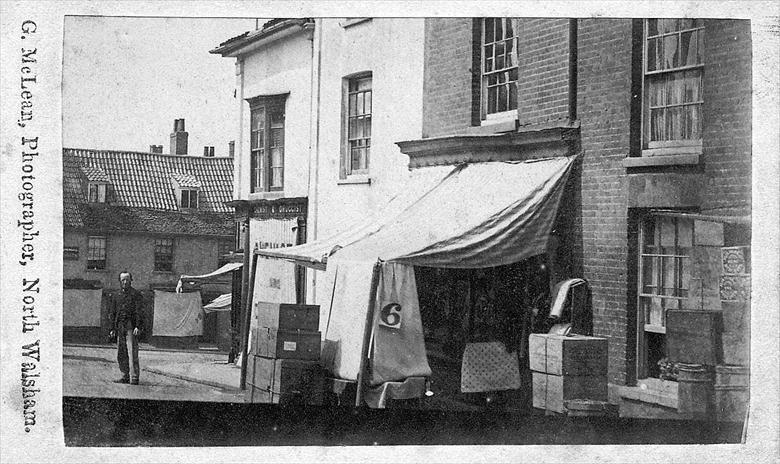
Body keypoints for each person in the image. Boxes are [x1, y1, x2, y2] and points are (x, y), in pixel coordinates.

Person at [108, 271, 144, 385]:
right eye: (122, 280)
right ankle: (124, 375)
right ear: (120, 281)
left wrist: (138, 326)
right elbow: (113, 313)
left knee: (133, 352)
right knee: (121, 352)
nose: (125, 282)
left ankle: (134, 377)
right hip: (120, 327)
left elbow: (140, 312)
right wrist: (112, 328)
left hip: (131, 327)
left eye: (127, 280)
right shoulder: (116, 295)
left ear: (131, 280)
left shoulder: (136, 294)